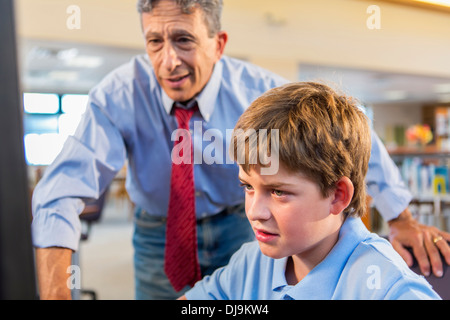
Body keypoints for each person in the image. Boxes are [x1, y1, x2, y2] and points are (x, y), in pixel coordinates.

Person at [32, 0, 450, 300]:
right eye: (154, 42)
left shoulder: (257, 93)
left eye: (183, 40)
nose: (168, 61)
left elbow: (347, 142)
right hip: (159, 231)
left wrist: (402, 217)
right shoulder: (120, 95)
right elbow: (61, 193)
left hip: (237, 225)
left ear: (218, 43)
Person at [181, 82, 441, 300]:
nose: (253, 212)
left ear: (338, 196)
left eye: (278, 192)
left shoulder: (389, 289)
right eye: (248, 187)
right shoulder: (252, 261)